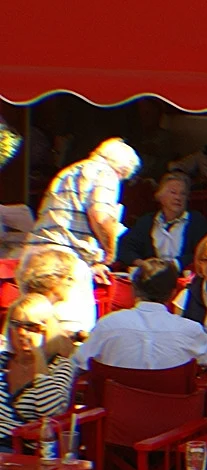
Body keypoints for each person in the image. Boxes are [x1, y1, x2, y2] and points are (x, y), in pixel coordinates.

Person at [22, 138, 141, 332]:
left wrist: (92, 261)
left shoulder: (69, 171)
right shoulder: (106, 173)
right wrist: (110, 252)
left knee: (29, 324)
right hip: (63, 261)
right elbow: (101, 216)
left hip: (34, 255)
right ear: (121, 170)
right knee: (72, 330)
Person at [73, 258, 207, 370]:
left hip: (115, 413)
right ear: (173, 294)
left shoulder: (107, 325)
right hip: (173, 414)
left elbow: (79, 361)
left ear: (133, 290)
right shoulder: (190, 330)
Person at [0, 294, 79, 442]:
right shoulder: (3, 361)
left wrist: (38, 354)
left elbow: (51, 412)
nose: (22, 333)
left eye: (31, 327)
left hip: (24, 448)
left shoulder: (61, 366)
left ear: (46, 331)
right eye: (16, 325)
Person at [116, 172, 207, 270]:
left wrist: (174, 265)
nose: (178, 198)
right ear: (160, 196)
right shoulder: (146, 221)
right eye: (173, 192)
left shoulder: (197, 221)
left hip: (184, 279)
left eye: (183, 194)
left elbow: (204, 253)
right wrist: (142, 264)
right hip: (151, 279)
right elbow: (126, 248)